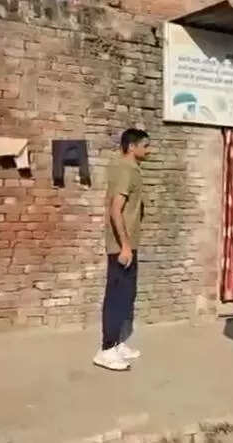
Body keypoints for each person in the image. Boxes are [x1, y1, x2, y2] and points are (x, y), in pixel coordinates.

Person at [93, 128, 150, 372]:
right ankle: (106, 350)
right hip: (121, 247)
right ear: (131, 147)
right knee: (116, 297)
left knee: (127, 295)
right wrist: (125, 246)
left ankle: (117, 343)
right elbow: (115, 209)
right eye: (145, 145)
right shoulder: (125, 169)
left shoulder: (132, 169)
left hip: (128, 245)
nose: (149, 150)